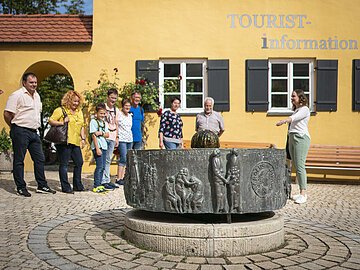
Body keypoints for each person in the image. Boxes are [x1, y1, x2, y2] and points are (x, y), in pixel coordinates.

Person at [3, 72, 56, 197]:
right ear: (24, 83)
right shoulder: (17, 95)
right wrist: (14, 126)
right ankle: (21, 187)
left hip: (34, 132)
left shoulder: (37, 96)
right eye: (31, 82)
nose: (34, 85)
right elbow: (7, 113)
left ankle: (42, 185)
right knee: (19, 160)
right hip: (20, 130)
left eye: (35, 82)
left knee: (40, 158)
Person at [276, 89, 311, 204]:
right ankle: (299, 192)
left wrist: (284, 120)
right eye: (291, 96)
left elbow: (293, 119)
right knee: (294, 164)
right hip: (292, 138)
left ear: (300, 98)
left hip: (300, 138)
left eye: (293, 96)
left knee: (300, 165)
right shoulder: (296, 110)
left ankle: (303, 193)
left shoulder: (305, 109)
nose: (291, 98)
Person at [48, 90, 86, 193]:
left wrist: (83, 139)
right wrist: (61, 122)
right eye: (74, 101)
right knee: (64, 164)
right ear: (69, 100)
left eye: (78, 101)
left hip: (75, 141)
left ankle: (77, 184)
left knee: (79, 162)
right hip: (64, 141)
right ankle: (66, 187)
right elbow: (50, 121)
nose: (76, 103)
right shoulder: (60, 110)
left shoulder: (79, 111)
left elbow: (82, 126)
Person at [102, 88, 120, 190]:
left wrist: (117, 137)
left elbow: (117, 124)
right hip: (104, 136)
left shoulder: (116, 110)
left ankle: (107, 180)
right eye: (111, 98)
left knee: (108, 159)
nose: (113, 100)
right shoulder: (102, 107)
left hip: (112, 136)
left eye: (115, 98)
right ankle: (102, 180)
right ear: (107, 97)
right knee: (103, 159)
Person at [90, 103, 109, 193]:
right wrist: (97, 148)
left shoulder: (104, 123)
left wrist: (101, 133)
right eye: (101, 113)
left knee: (103, 167)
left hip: (104, 146)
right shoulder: (93, 122)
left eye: (104, 113)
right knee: (99, 166)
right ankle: (96, 185)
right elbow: (93, 136)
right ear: (96, 113)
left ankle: (100, 184)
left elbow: (107, 134)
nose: (102, 115)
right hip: (98, 146)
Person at [116, 99, 133, 185]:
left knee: (128, 158)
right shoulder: (119, 114)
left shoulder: (130, 116)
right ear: (122, 106)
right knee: (123, 158)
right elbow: (116, 126)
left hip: (129, 139)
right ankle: (119, 178)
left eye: (129, 106)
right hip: (122, 139)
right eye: (126, 106)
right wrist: (117, 137)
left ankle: (123, 177)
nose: (127, 107)